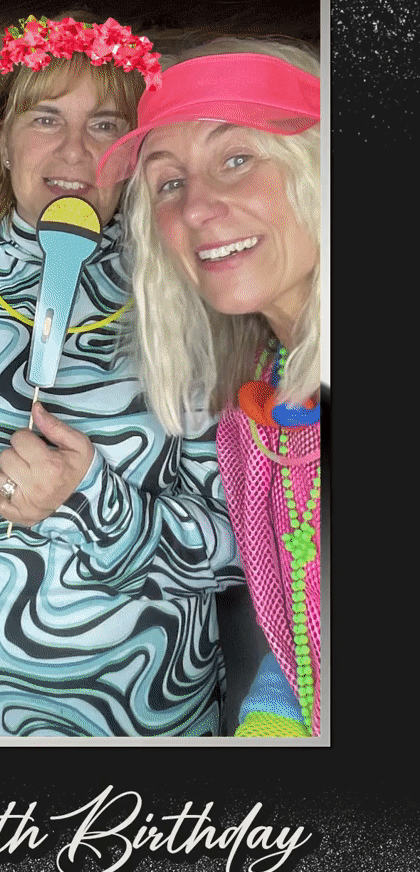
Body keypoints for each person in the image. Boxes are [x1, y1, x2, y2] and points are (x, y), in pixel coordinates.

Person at [0, 15, 243, 737]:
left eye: (105, 125)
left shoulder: (190, 290)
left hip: (139, 716)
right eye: (46, 118)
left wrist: (89, 497)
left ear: (132, 154)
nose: (74, 150)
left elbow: (244, 546)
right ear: (3, 140)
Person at [98, 36, 321, 736]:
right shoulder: (257, 403)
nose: (196, 208)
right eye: (169, 182)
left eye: (237, 159)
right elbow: (305, 639)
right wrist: (272, 723)